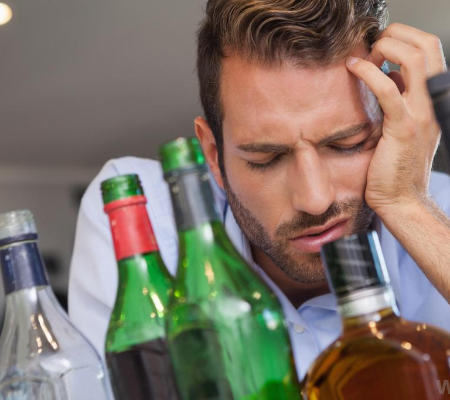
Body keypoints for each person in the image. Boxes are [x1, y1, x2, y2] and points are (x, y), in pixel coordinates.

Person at [69, 0, 450, 379]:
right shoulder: (141, 214)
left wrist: (407, 206)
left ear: (391, 121)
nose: (314, 199)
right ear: (213, 156)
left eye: (346, 145)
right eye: (267, 158)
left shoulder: (440, 215)